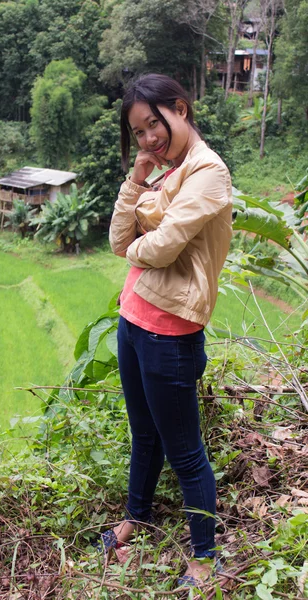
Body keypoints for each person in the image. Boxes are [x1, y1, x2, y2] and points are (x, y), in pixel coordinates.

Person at [107, 73, 233, 585]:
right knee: (144, 434)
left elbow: (157, 248)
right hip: (133, 320)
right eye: (138, 133)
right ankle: (138, 515)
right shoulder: (161, 174)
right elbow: (120, 235)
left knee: (184, 449)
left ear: (179, 108)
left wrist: (138, 246)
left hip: (171, 332)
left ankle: (205, 556)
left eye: (152, 125)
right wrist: (136, 178)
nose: (148, 140)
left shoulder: (208, 173)